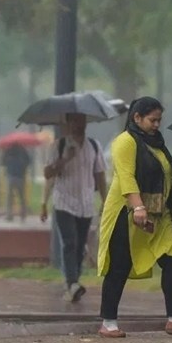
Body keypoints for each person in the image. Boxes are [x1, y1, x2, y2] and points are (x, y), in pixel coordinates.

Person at [96, 97, 172, 338]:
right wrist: (138, 208)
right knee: (119, 266)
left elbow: (167, 176)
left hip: (158, 213)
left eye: (159, 120)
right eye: (152, 120)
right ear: (137, 117)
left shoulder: (156, 144)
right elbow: (126, 177)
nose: (156, 125)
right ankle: (108, 322)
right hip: (126, 212)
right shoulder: (125, 141)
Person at [40, 113, 108, 303]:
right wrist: (64, 159)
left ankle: (74, 281)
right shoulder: (58, 145)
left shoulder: (94, 146)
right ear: (68, 123)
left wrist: (105, 200)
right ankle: (72, 282)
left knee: (79, 245)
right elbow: (47, 174)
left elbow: (100, 175)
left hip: (86, 203)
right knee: (69, 242)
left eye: (82, 120)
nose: (80, 124)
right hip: (64, 202)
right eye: (75, 121)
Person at [2, 143, 31, 222]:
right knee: (21, 197)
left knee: (9, 197)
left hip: (11, 176)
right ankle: (23, 215)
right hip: (20, 176)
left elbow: (3, 162)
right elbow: (28, 162)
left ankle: (9, 215)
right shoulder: (23, 151)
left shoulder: (8, 151)